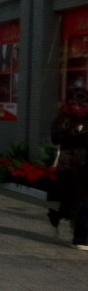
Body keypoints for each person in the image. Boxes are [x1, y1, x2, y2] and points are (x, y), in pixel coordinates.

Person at [47, 94, 88, 248]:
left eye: (83, 103)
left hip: (85, 167)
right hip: (70, 167)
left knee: (82, 202)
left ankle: (80, 235)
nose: (80, 106)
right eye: (77, 103)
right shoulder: (63, 118)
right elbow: (56, 138)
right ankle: (80, 236)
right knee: (75, 202)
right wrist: (74, 133)